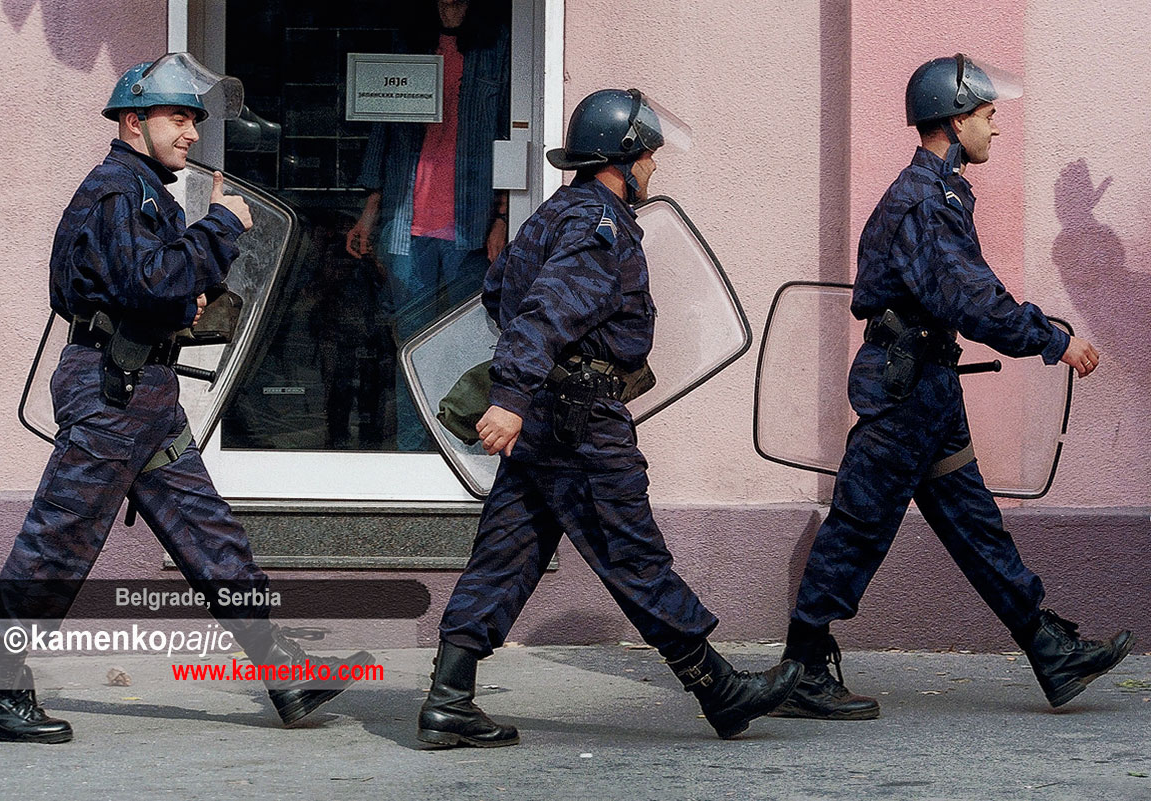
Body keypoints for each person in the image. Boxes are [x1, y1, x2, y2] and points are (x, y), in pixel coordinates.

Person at [0, 54, 353, 744]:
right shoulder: (121, 190)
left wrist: (187, 289)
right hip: (113, 392)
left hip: (144, 392)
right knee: (59, 540)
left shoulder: (145, 192)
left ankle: (285, 671)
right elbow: (154, 281)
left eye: (196, 119)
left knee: (211, 536)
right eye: (180, 117)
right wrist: (222, 226)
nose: (193, 133)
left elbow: (159, 287)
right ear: (133, 120)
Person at [416, 88, 803, 748]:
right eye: (648, 151)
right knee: (631, 550)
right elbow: (544, 312)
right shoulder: (600, 226)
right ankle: (718, 689)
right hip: (580, 421)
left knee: (507, 552)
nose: (655, 163)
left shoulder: (555, 213)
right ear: (623, 156)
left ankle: (449, 698)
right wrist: (510, 397)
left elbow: (498, 292)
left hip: (546, 417)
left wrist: (522, 396)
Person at [771, 54, 1133, 721]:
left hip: (928, 386)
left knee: (975, 526)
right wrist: (1051, 339)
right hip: (903, 392)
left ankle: (1047, 647)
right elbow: (971, 300)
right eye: (989, 116)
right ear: (955, 116)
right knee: (860, 523)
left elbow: (974, 288)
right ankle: (803, 665)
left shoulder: (943, 195)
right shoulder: (922, 203)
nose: (997, 130)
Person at [345, 0, 510, 450]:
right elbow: (384, 127)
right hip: (405, 225)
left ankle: (458, 451)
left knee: (464, 346)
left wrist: (501, 217)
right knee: (411, 348)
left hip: (470, 226)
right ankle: (413, 453)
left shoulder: (498, 45)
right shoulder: (409, 40)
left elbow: (512, 136)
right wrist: (370, 211)